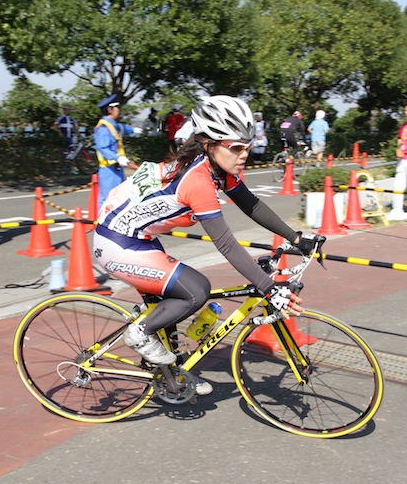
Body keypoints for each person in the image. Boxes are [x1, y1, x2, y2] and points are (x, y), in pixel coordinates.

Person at [93, 95, 315, 394]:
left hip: (138, 237)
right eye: (236, 147)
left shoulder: (216, 168)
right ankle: (140, 332)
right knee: (195, 290)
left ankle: (174, 374)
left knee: (175, 299)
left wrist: (296, 238)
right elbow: (225, 243)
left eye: (248, 146)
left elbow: (250, 204)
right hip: (116, 242)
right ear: (209, 144)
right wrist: (269, 287)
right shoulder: (198, 180)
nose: (244, 154)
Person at [94, 93, 136, 210]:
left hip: (117, 169)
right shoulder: (103, 128)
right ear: (110, 109)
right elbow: (103, 149)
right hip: (109, 170)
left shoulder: (112, 125)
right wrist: (118, 158)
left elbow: (122, 128)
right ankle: (101, 226)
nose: (119, 110)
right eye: (116, 107)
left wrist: (134, 130)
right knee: (107, 199)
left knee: (118, 198)